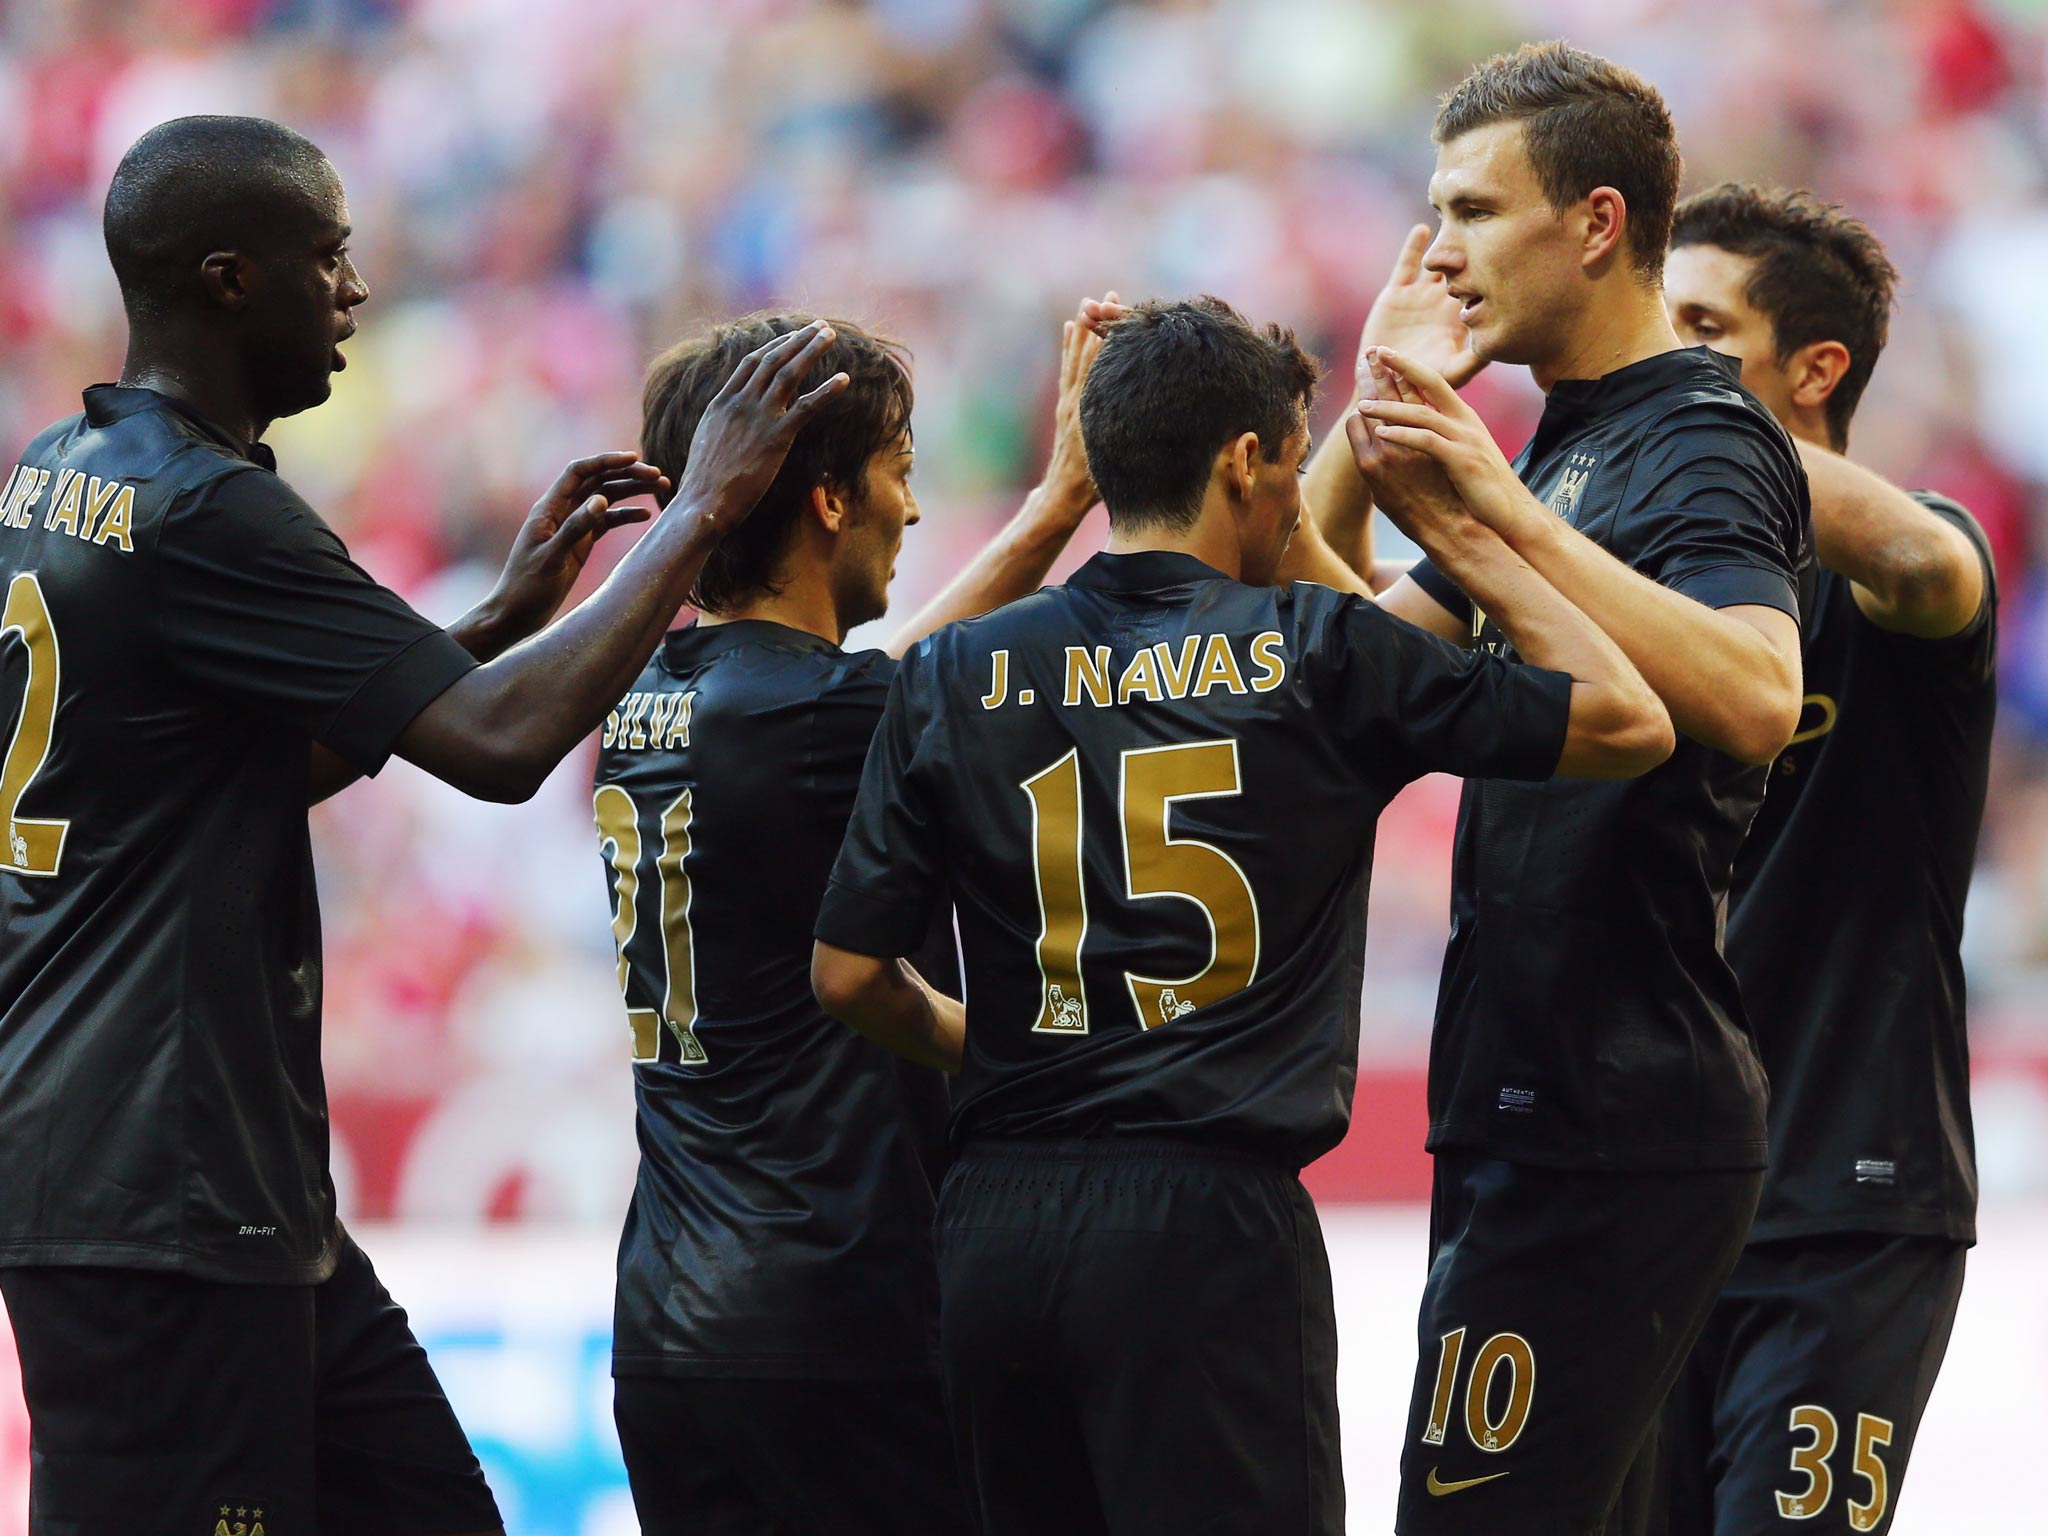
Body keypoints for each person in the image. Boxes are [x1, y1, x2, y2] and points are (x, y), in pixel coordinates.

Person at [0, 115, 843, 1536]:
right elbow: (503, 750)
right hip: (165, 1191)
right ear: (226, 280)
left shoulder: (62, 473)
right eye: (324, 257)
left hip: (185, 1178)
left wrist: (500, 620)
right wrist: (695, 518)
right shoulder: (212, 511)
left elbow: (239, 767)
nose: (355, 290)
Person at [809, 294, 1674, 1536]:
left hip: (993, 1225)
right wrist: (1463, 535)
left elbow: (846, 976)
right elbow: (1627, 719)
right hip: (1203, 1226)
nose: (1294, 505)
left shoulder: (953, 670)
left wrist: (996, 1050)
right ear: (1243, 461)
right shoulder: (1319, 650)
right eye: (1291, 463)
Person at [1338, 42, 1814, 1533]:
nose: (1444, 254)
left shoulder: (1700, 435)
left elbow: (1754, 695)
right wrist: (1376, 414)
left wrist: (1487, 513)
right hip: (1524, 1096)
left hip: (1619, 1108)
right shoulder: (1559, 450)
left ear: (1598, 223)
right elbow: (1315, 669)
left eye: (1476, 211)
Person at [594, 302, 1107, 1535]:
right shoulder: (826, 718)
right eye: (900, 473)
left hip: (671, 1319)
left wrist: (1047, 512)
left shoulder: (650, 692)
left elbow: (884, 684)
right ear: (828, 500)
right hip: (833, 1320)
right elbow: (911, 691)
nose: (914, 510)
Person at [1640, 184, 1996, 1536]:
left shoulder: (1906, 568)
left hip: (1848, 1203)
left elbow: (1915, 553)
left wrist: (1666, 417)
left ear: (1815, 367)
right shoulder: (1646, 592)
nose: (1659, 358)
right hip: (1655, 1207)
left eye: (1700, 330)